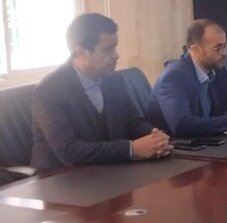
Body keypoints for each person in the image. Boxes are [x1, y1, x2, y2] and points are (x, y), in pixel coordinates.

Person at [31, 13, 171, 171]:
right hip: (60, 177)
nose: (116, 55)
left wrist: (155, 137)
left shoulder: (114, 80)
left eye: (115, 47)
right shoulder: (49, 90)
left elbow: (133, 122)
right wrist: (131, 149)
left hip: (107, 170)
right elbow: (68, 151)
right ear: (81, 53)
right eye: (107, 50)